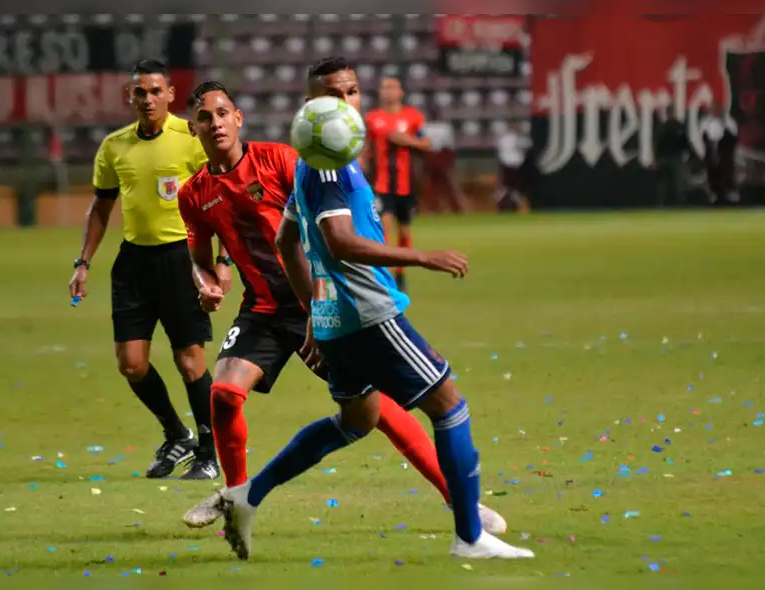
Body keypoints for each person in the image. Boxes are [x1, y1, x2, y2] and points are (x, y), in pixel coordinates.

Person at [215, 57, 532, 561]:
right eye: (331, 95)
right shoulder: (327, 167)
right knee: (450, 406)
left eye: (352, 91)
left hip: (337, 322)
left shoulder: (309, 163)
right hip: (369, 313)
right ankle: (471, 536)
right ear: (308, 107)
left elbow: (287, 239)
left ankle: (246, 496)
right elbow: (339, 242)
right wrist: (422, 257)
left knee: (356, 421)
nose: (346, 103)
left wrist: (315, 316)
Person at [68, 59, 230, 480]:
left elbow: (222, 201)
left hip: (182, 258)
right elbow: (101, 208)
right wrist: (83, 262)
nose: (148, 99)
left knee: (190, 362)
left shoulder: (191, 138)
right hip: (134, 262)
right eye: (140, 92)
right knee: (131, 363)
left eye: (156, 91)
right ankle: (177, 435)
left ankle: (210, 452)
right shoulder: (114, 147)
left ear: (171, 94)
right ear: (129, 96)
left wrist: (221, 262)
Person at [363, 76, 430, 292]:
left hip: (406, 185)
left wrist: (406, 141)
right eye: (384, 87)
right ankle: (382, 274)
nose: (388, 91)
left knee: (404, 229)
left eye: (392, 87)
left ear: (401, 92)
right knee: (384, 226)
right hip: (381, 184)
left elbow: (426, 144)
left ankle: (400, 273)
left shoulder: (413, 117)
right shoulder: (372, 118)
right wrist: (361, 161)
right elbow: (364, 147)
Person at [700, 104, 739, 205]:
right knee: (711, 175)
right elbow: (702, 135)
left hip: (724, 152)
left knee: (726, 176)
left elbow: (734, 132)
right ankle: (714, 197)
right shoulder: (706, 122)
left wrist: (723, 121)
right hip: (711, 151)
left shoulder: (728, 121)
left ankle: (726, 198)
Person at [653, 105, 690, 208]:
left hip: (676, 158)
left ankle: (680, 205)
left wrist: (686, 156)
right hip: (665, 159)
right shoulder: (663, 128)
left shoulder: (679, 127)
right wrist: (657, 159)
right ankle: (661, 204)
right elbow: (657, 144)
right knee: (663, 184)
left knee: (679, 184)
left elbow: (685, 143)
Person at [494, 121, 531, 213]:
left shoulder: (520, 138)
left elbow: (527, 146)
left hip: (518, 166)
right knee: (506, 188)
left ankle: (513, 205)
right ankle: (503, 205)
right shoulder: (506, 139)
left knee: (517, 189)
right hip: (508, 166)